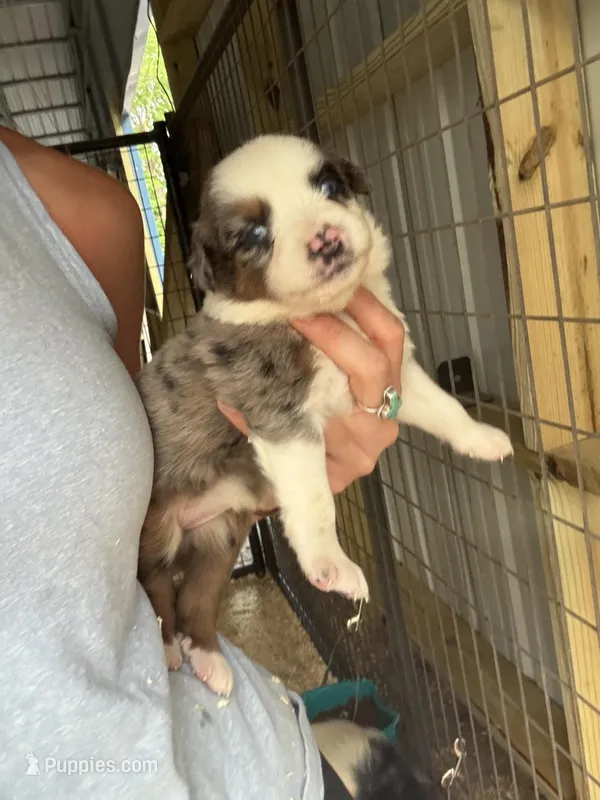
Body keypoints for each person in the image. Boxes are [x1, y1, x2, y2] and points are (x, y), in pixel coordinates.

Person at [0, 121, 404, 799]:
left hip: (260, 765)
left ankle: (196, 633)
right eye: (256, 232)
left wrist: (301, 457)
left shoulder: (77, 212)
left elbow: (130, 472)